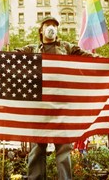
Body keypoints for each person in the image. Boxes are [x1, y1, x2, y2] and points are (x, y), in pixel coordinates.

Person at [16, 16, 96, 180]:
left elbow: (85, 56)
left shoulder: (66, 47)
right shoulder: (32, 49)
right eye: (48, 25)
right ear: (41, 30)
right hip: (39, 105)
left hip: (61, 104)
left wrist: (105, 61)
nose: (51, 27)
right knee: (37, 149)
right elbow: (15, 55)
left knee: (63, 149)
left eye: (54, 25)